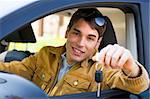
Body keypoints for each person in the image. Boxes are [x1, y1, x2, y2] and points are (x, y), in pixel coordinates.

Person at [0, 8, 149, 96]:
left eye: (90, 38)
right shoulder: (46, 54)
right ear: (67, 32)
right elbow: (12, 70)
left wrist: (131, 66)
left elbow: (139, 86)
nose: (80, 43)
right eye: (76, 33)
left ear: (98, 42)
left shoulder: (102, 68)